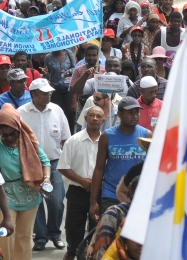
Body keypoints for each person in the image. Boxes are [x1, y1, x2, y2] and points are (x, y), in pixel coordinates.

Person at [0, 103, 52, 260]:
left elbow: (45, 162)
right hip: (6, 193)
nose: (9, 138)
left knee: (24, 236)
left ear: (18, 128)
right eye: (5, 135)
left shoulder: (29, 140)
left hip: (29, 192)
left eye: (12, 134)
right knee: (4, 234)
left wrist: (46, 179)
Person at [18, 79, 71, 252]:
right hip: (31, 164)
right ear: (33, 94)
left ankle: (55, 234)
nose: (49, 95)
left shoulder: (57, 110)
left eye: (49, 92)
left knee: (56, 200)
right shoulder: (21, 113)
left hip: (54, 162)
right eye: (44, 92)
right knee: (36, 202)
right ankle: (40, 237)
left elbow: (65, 139)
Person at [90, 97, 151, 222]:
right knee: (109, 235)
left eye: (136, 112)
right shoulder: (107, 136)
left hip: (139, 196)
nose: (134, 116)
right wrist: (93, 201)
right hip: (111, 195)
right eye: (130, 113)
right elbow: (99, 168)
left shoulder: (147, 136)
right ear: (119, 114)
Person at [59, 106, 105, 260]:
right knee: (73, 228)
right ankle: (72, 252)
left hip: (99, 192)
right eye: (91, 115)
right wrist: (81, 180)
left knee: (96, 227)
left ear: (103, 120)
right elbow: (63, 167)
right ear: (85, 118)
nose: (95, 119)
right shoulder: (73, 140)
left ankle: (91, 255)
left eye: (98, 116)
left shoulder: (106, 141)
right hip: (77, 190)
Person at [0, 68, 32, 134]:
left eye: (24, 80)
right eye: (20, 81)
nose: (23, 83)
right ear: (11, 83)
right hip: (9, 138)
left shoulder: (31, 97)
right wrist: (1, 143)